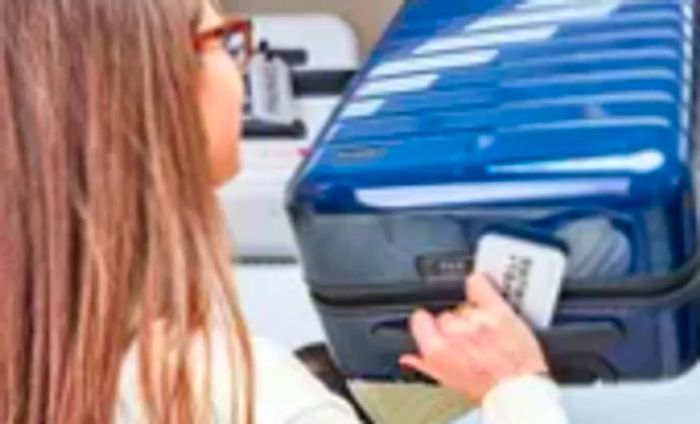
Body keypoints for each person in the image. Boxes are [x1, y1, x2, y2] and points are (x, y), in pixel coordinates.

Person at [0, 0, 566, 422]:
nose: (240, 68)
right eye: (222, 40)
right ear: (159, 88)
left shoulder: (54, 360)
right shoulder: (224, 388)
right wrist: (516, 387)